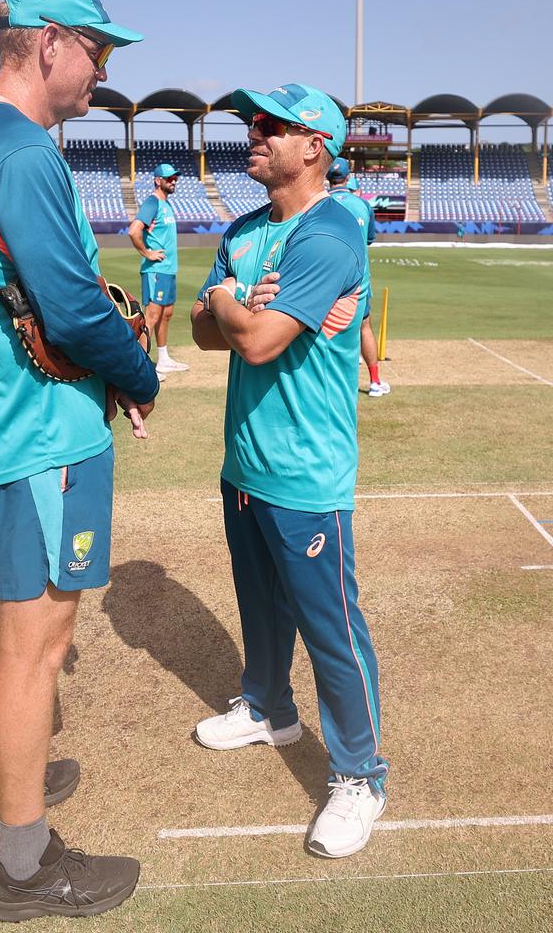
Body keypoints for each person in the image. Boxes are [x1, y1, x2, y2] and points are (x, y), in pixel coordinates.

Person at [0, 0, 159, 922]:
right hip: (40, 431)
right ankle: (25, 869)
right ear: (50, 42)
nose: (102, 71)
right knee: (37, 642)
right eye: (98, 51)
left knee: (8, 617)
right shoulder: (24, 152)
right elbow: (67, 307)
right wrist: (139, 377)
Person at [191, 83, 389, 859]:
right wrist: (228, 300)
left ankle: (360, 776)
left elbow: (256, 340)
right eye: (251, 124)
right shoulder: (245, 230)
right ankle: (268, 706)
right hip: (246, 464)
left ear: (317, 146)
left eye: (272, 126)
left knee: (333, 630)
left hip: (308, 472)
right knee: (261, 605)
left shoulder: (330, 234)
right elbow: (210, 333)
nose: (253, 134)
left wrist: (230, 305)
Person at [327, 159, 390, 397]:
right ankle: (374, 382)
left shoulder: (320, 202)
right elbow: (369, 239)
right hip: (359, 281)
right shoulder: (362, 205)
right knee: (364, 327)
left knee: (323, 330)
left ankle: (333, 385)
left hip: (326, 280)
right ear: (347, 177)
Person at [128, 163, 189, 378]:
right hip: (156, 270)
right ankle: (140, 368)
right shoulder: (152, 203)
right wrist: (147, 253)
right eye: (169, 178)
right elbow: (134, 231)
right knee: (151, 317)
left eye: (175, 178)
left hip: (168, 270)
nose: (174, 181)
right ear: (158, 180)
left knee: (166, 314)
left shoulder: (167, 204)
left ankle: (163, 360)